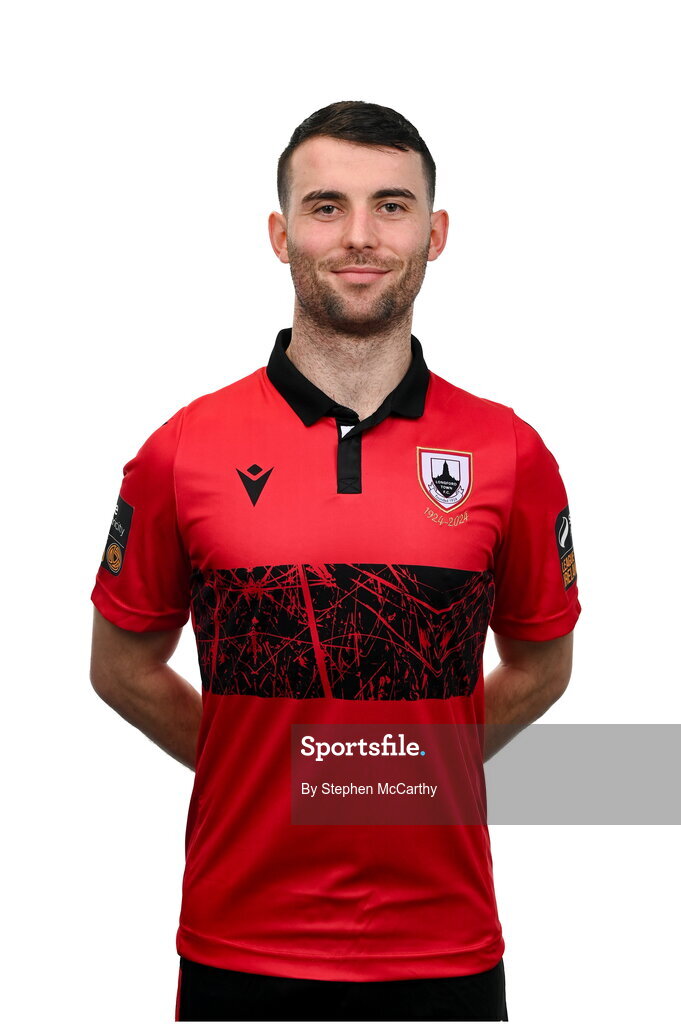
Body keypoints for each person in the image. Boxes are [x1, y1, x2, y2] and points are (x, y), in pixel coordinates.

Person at [89, 100, 580, 1022]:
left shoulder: (510, 452)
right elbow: (120, 669)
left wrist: (394, 774)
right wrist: (273, 771)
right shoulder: (182, 451)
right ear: (280, 235)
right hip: (240, 944)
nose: (359, 236)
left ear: (435, 234)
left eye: (391, 206)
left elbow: (542, 665)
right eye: (326, 207)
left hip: (445, 950)